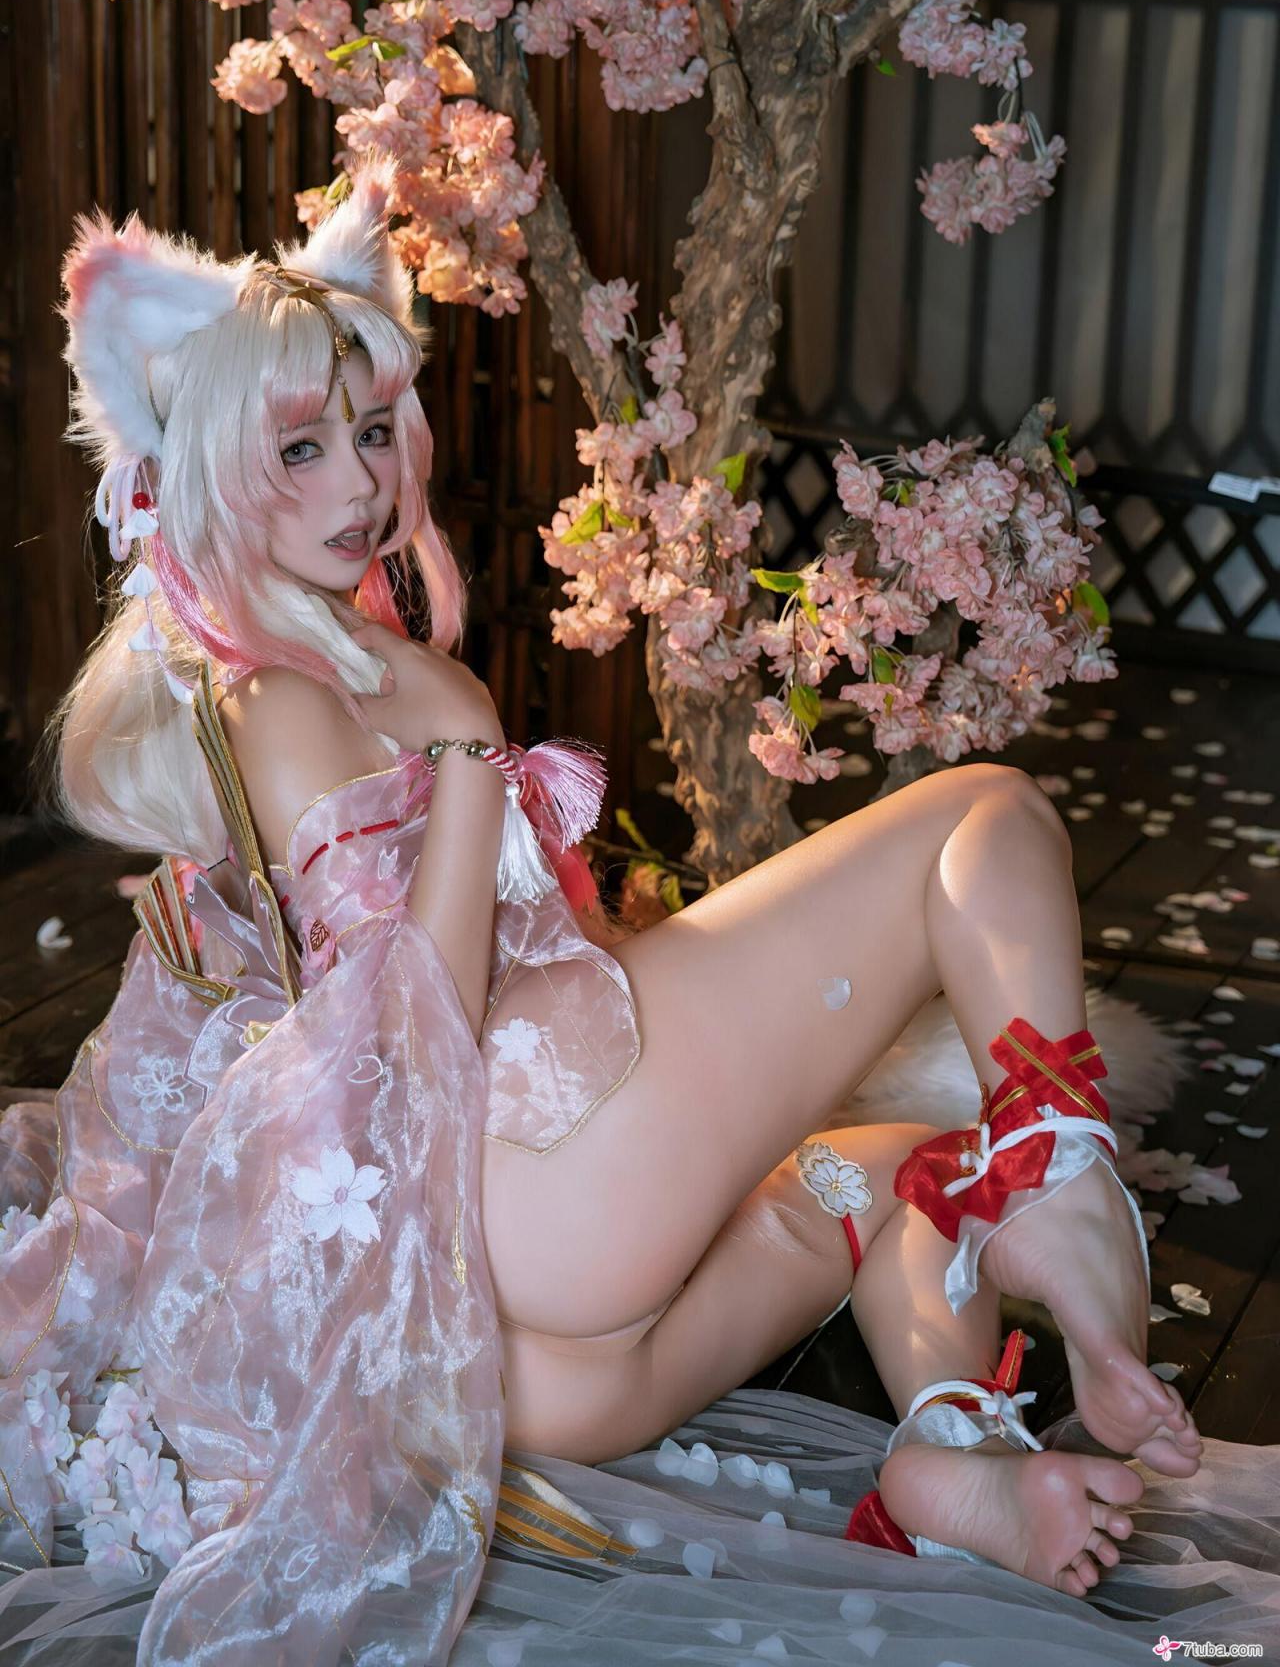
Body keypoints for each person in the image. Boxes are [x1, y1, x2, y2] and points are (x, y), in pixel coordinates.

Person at [0, 157, 1273, 1667]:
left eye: (370, 434)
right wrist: (467, 755)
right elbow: (416, 1007)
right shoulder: (282, 697)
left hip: (542, 1373)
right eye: (301, 450)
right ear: (211, 473)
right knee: (986, 815)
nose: (358, 484)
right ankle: (1070, 1185)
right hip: (527, 1184)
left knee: (903, 1170)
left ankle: (957, 1454)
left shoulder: (332, 670)